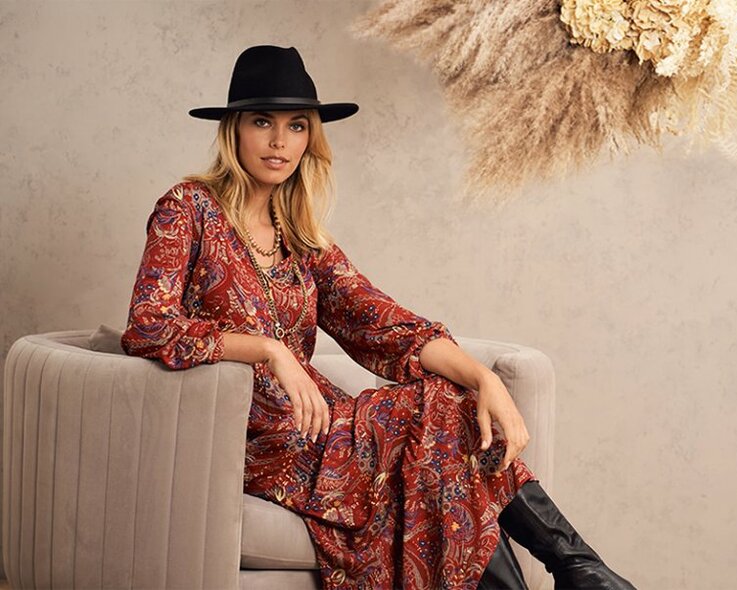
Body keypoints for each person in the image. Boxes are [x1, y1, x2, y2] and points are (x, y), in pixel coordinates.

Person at [121, 45, 636, 590]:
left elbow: (384, 325)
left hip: (324, 429)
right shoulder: (188, 208)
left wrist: (485, 378)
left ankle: (577, 570)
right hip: (252, 438)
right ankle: (583, 571)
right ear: (234, 130)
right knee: (441, 421)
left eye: (296, 125)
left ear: (310, 138)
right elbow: (148, 324)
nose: (279, 141)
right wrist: (267, 349)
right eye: (262, 122)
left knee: (447, 417)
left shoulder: (300, 236)